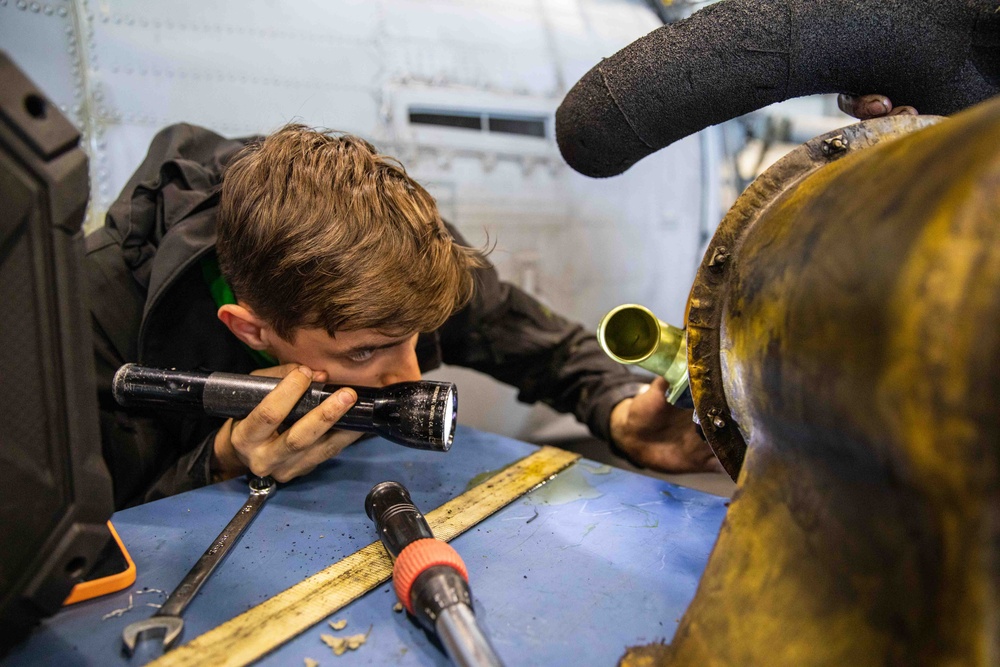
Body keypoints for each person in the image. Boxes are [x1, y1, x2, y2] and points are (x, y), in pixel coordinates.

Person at [87, 122, 719, 509]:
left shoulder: (395, 257)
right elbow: (73, 546)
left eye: (414, 338)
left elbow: (538, 344)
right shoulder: (97, 317)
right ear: (249, 328)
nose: (410, 375)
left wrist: (621, 412)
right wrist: (219, 461)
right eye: (364, 353)